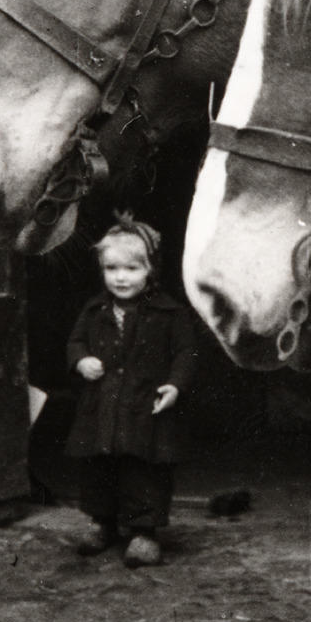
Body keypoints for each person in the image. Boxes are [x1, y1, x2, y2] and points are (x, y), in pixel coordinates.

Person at [64, 220, 198, 566]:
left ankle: (143, 532)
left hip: (145, 407)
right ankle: (102, 522)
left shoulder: (169, 313)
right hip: (103, 406)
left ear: (150, 270)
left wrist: (175, 385)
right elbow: (75, 341)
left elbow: (186, 352)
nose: (120, 277)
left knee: (144, 468)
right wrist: (82, 360)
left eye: (131, 268)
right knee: (99, 466)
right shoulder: (95, 310)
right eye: (111, 269)